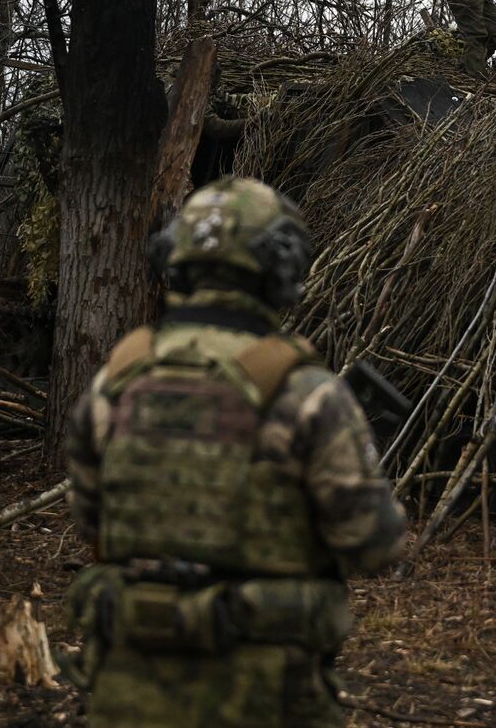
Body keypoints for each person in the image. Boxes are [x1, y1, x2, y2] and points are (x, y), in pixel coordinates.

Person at [62, 176, 406, 727]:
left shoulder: (116, 382)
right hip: (265, 695)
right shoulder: (307, 394)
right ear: (280, 269)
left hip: (128, 692)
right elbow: (375, 545)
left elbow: (91, 520)